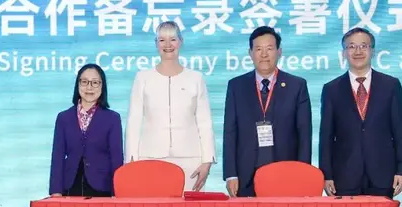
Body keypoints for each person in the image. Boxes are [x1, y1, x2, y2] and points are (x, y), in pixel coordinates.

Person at [319, 27, 402, 199]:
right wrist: (326, 174)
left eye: (363, 46)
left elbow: (399, 131)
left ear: (373, 51)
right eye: (351, 46)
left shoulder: (390, 85)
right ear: (344, 53)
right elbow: (326, 137)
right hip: (344, 176)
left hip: (383, 174)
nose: (358, 51)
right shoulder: (331, 89)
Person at [124, 21, 216, 191]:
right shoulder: (143, 78)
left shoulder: (196, 78)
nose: (168, 45)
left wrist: (207, 160)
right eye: (162, 40)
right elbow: (133, 121)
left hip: (190, 160)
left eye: (173, 39)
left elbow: (205, 122)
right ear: (156, 44)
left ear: (180, 42)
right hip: (150, 157)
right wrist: (131, 159)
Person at [223, 26, 312, 197]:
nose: (264, 54)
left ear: (279, 52)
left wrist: (302, 172)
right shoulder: (236, 86)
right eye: (258, 49)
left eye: (269, 48)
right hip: (245, 175)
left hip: (286, 171)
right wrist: (231, 174)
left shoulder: (296, 85)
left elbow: (304, 134)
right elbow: (230, 132)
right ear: (250, 53)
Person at [49, 63, 123, 197]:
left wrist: (116, 192)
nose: (89, 87)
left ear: (102, 86)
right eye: (84, 82)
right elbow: (57, 157)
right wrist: (56, 191)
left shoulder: (113, 118)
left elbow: (116, 158)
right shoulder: (63, 118)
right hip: (70, 187)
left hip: (102, 188)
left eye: (95, 82)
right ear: (77, 85)